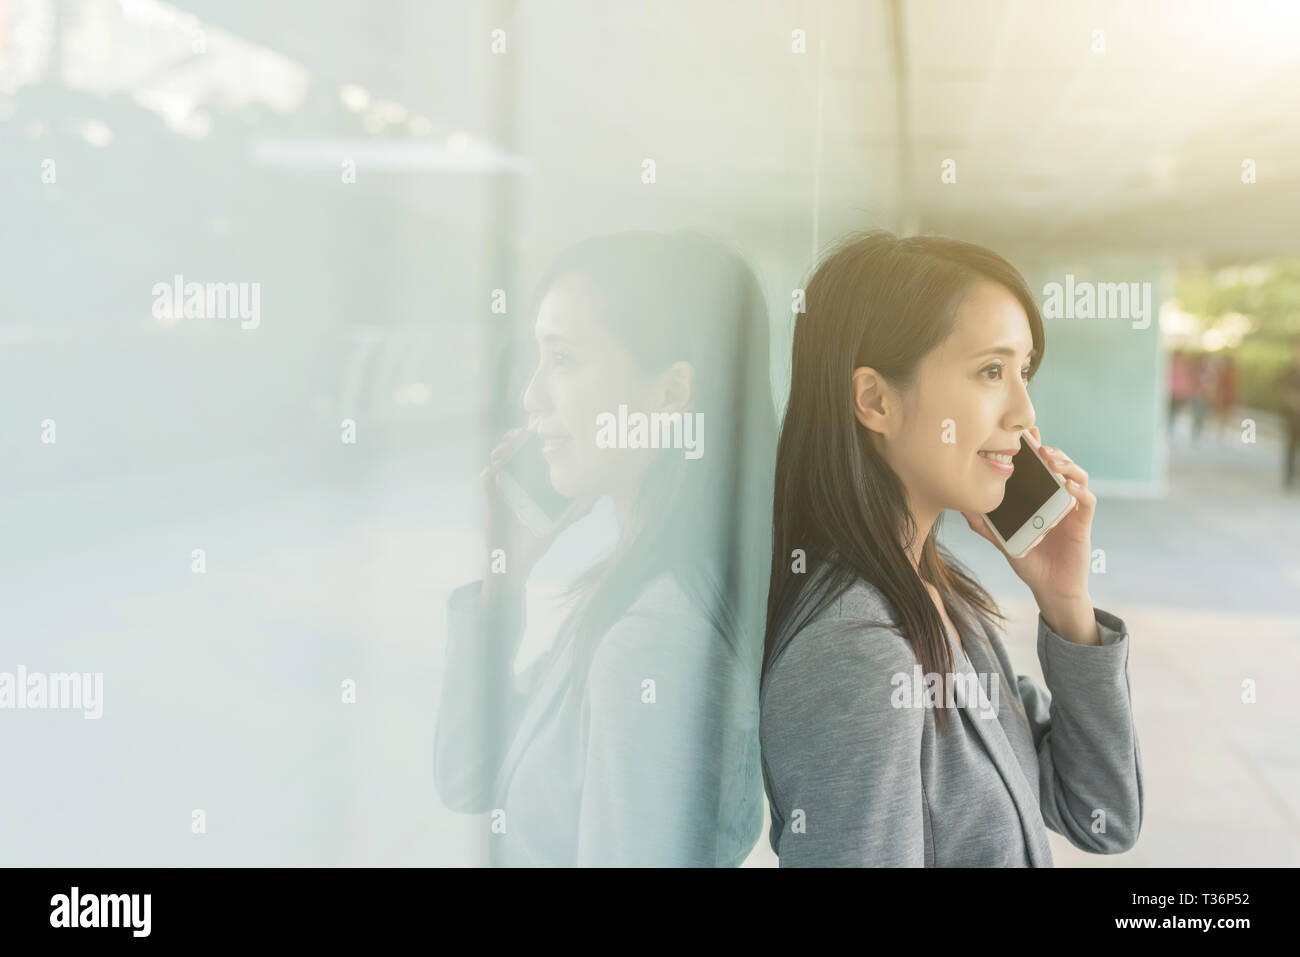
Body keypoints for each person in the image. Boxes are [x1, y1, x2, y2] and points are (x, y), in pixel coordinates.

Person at [759, 230, 1143, 866]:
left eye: (1023, 372)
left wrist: (1064, 599)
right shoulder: (857, 653)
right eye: (991, 371)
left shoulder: (940, 599)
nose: (1023, 410)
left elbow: (1101, 815)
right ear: (876, 400)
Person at [434, 231, 777, 865]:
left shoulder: (653, 639)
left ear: (672, 394)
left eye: (562, 359)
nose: (532, 396)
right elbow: (471, 776)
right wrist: (505, 573)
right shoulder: (638, 589)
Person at [1279, 335, 1300, 490]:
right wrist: (1291, 400)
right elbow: (1281, 390)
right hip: (1292, 417)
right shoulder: (1288, 372)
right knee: (1291, 446)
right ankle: (1289, 476)